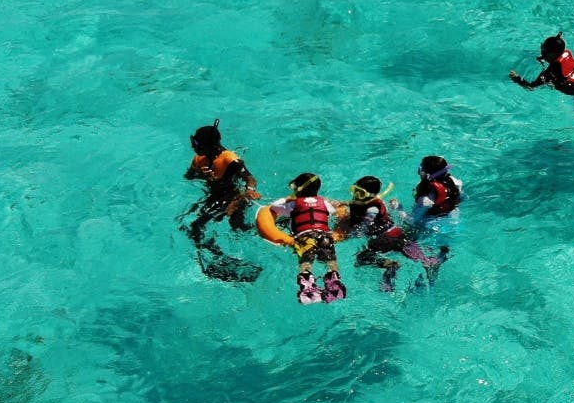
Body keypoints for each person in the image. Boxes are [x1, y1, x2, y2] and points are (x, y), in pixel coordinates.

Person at [182, 120, 263, 281]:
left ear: (211, 145)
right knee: (194, 228)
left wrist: (250, 191)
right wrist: (201, 175)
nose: (193, 147)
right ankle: (219, 258)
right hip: (214, 197)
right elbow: (188, 177)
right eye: (193, 141)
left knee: (238, 229)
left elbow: (250, 178)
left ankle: (273, 225)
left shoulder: (230, 160)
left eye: (196, 143)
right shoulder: (199, 158)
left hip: (233, 197)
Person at [337, 175, 446, 293]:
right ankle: (430, 261)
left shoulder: (372, 210)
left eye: (360, 193)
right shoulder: (374, 201)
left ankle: (391, 265)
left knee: (362, 258)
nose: (356, 195)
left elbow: (361, 230)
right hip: (396, 232)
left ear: (369, 195)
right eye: (355, 190)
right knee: (409, 250)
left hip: (384, 239)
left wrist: (348, 233)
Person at [260, 173, 347, 304]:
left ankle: (308, 284)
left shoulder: (294, 204)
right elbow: (336, 210)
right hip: (325, 236)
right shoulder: (324, 202)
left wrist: (290, 198)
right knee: (331, 260)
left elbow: (274, 206)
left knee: (306, 262)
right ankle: (334, 278)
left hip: (305, 237)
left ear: (298, 189)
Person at [405, 156, 463, 290]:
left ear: (425, 172)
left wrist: (399, 209)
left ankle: (421, 282)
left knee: (409, 245)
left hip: (431, 227)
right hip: (453, 221)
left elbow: (414, 220)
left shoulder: (426, 198)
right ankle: (436, 269)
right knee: (443, 249)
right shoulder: (454, 182)